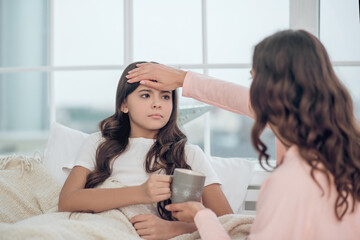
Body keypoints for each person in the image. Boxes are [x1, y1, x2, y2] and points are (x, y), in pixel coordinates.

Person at [126, 30, 360, 239]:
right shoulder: (347, 154)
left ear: (270, 92)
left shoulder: (291, 181)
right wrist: (183, 78)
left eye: (253, 79)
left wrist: (200, 216)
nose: (251, 93)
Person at [58, 61, 233, 240]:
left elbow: (228, 221)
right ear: (124, 105)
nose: (157, 104)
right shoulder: (98, 143)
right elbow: (67, 201)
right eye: (145, 95)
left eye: (165, 96)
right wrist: (140, 193)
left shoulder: (189, 154)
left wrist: (177, 229)